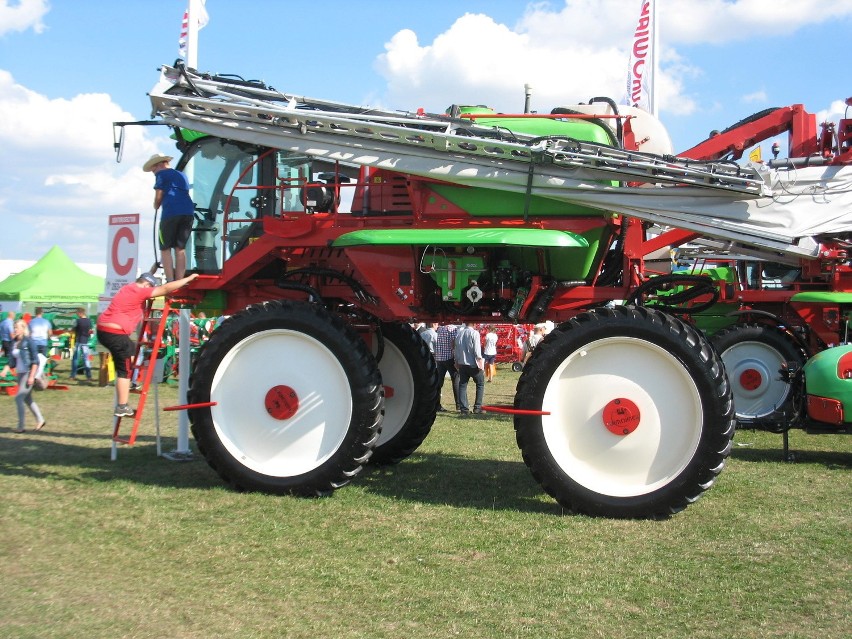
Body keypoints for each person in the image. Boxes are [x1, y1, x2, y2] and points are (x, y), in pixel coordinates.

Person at [97, 271, 199, 417]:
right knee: (123, 369)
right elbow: (164, 289)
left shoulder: (128, 288)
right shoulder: (140, 291)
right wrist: (188, 279)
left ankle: (129, 383)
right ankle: (122, 406)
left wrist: (154, 268)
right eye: (150, 287)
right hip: (115, 333)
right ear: (146, 285)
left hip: (104, 330)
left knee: (130, 354)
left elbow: (148, 277)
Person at [143, 153, 196, 282]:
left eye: (153, 169)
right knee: (180, 248)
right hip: (188, 212)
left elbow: (159, 194)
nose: (154, 173)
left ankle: (170, 280)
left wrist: (156, 205)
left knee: (165, 248)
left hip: (171, 213)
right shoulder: (182, 175)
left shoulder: (162, 174)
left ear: (160, 164)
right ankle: (179, 280)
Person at [11, 319, 45, 433]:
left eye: (17, 327)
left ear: (23, 328)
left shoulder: (29, 341)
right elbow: (12, 361)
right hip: (20, 374)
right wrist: (6, 369)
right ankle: (40, 419)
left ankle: (21, 426)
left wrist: (31, 376)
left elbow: (35, 360)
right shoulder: (14, 342)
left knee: (19, 398)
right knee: (28, 399)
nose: (15, 329)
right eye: (14, 327)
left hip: (28, 372)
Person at [454, 322, 485, 415]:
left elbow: (456, 349)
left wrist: (457, 361)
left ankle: (464, 409)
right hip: (473, 363)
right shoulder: (474, 333)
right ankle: (477, 407)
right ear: (474, 324)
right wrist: (480, 362)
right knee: (480, 384)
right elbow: (477, 350)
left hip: (462, 363)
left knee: (462, 385)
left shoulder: (459, 333)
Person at [434, 323, 460, 413]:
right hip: (449, 357)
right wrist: (456, 359)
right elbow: (454, 345)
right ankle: (459, 404)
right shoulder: (453, 329)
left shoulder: (440, 329)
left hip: (439, 358)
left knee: (439, 382)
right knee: (456, 380)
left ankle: (436, 404)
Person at [70, 307, 93, 381]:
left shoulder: (77, 321)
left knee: (75, 359)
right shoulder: (89, 321)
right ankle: (89, 376)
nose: (76, 314)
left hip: (79, 341)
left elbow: (73, 330)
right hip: (85, 342)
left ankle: (73, 375)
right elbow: (90, 331)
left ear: (80, 313)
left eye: (77, 313)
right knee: (86, 359)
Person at [0, 310, 14, 377]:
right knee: (9, 359)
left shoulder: (2, 322)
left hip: (3, 342)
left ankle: (3, 372)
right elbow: (11, 334)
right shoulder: (10, 323)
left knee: (4, 358)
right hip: (9, 342)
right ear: (12, 316)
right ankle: (7, 374)